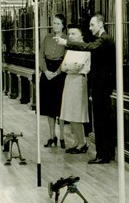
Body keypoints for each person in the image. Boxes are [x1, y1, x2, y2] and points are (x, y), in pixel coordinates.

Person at [56, 13, 115, 164]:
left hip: (102, 86)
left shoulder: (104, 39)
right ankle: (106, 153)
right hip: (100, 86)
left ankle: (103, 155)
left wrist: (66, 42)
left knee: (101, 121)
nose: (90, 28)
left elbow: (89, 47)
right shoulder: (102, 39)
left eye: (92, 25)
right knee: (102, 120)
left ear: (101, 24)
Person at [59, 25, 91, 154]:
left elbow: (77, 68)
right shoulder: (71, 49)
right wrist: (68, 67)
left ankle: (82, 143)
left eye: (73, 34)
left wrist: (69, 67)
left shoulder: (85, 49)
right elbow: (63, 67)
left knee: (76, 114)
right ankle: (76, 141)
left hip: (78, 81)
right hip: (69, 80)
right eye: (69, 34)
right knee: (69, 113)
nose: (70, 36)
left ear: (81, 35)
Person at [39, 14, 67, 148]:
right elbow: (41, 56)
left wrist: (56, 73)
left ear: (63, 25)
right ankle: (52, 136)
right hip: (47, 72)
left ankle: (62, 136)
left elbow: (66, 60)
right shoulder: (47, 37)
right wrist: (45, 71)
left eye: (57, 23)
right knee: (49, 107)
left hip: (59, 74)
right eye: (53, 23)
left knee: (60, 107)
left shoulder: (67, 39)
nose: (54, 25)